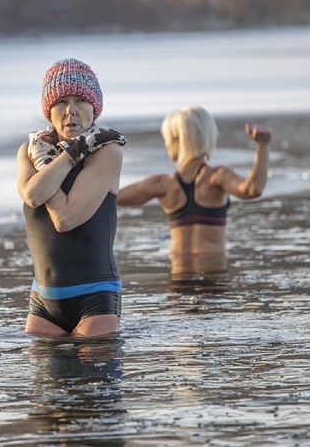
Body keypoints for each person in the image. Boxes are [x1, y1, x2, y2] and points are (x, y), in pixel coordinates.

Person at [16, 59, 126, 338]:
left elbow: (65, 218)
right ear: (48, 110)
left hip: (95, 298)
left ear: (95, 108)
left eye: (80, 100)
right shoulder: (29, 150)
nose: (70, 111)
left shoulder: (107, 153)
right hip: (42, 302)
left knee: (92, 382)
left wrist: (71, 154)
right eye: (61, 101)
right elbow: (32, 194)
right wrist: (71, 153)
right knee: (42, 382)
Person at [117, 106, 271, 277]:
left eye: (167, 139)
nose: (166, 145)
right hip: (215, 273)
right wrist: (263, 146)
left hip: (179, 275)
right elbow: (252, 189)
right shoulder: (217, 176)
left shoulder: (162, 184)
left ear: (178, 140)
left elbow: (110, 197)